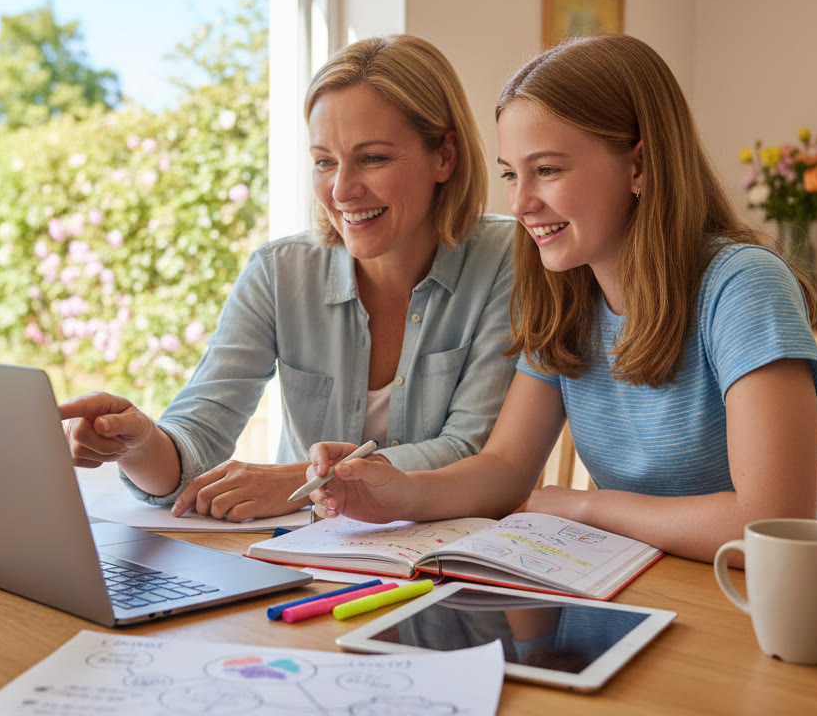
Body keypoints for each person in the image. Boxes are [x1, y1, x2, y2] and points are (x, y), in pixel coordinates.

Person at [305, 33, 817, 563]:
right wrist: (399, 493)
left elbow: (773, 524)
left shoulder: (743, 285)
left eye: (547, 170)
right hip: (638, 582)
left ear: (638, 166)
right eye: (511, 174)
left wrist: (587, 507)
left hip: (757, 600)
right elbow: (505, 468)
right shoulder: (567, 296)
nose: (520, 203)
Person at [59, 34, 517, 522]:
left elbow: (472, 450)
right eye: (324, 162)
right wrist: (138, 444)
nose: (341, 190)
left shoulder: (507, 258)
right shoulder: (279, 273)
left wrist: (301, 481)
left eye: (373, 158)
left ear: (445, 156)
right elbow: (198, 438)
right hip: (303, 555)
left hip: (450, 558)